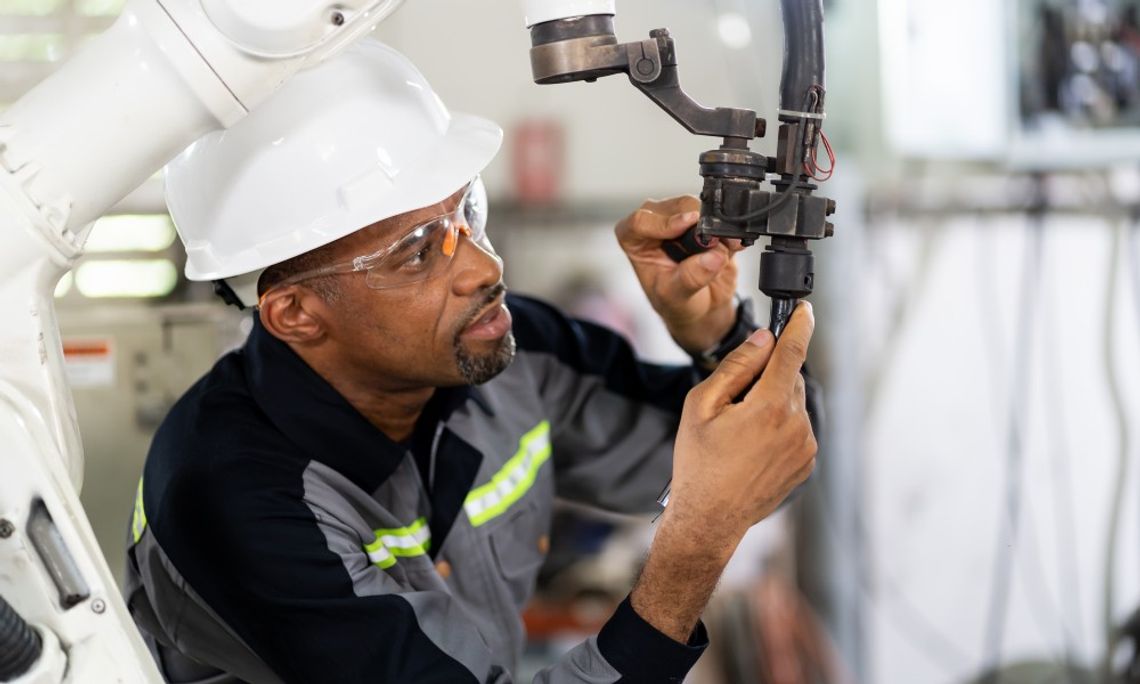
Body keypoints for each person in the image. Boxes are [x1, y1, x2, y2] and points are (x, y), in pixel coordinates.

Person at [123, 39, 818, 683]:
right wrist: (692, 550)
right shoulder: (234, 498)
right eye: (419, 251)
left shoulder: (511, 355)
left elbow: (768, 465)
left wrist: (716, 332)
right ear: (298, 314)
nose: (486, 267)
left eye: (469, 214)